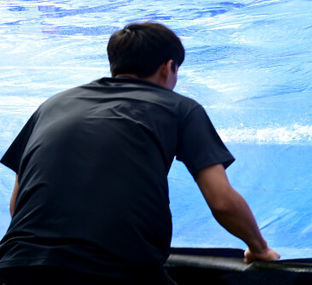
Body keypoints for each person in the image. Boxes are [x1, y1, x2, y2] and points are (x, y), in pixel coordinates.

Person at [0, 22, 279, 285]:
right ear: (168, 67)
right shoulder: (179, 108)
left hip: (18, 265)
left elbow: (18, 203)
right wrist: (259, 248)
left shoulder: (53, 104)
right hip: (116, 270)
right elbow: (221, 201)